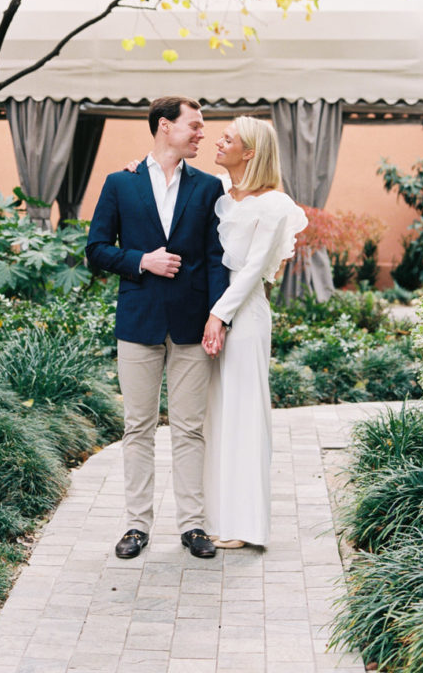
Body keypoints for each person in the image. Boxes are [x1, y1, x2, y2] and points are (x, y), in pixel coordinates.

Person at [86, 96, 230, 560]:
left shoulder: (209, 187)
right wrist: (141, 261)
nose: (202, 133)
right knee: (138, 427)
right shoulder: (119, 184)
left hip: (192, 325)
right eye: (195, 125)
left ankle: (192, 526)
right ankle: (136, 526)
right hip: (138, 320)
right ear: (165, 127)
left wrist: (217, 315)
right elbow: (96, 249)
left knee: (190, 429)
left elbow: (215, 260)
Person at [201, 116, 307, 549]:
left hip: (244, 317)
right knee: (216, 415)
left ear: (250, 153)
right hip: (215, 315)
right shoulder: (218, 196)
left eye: (229, 138)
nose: (218, 140)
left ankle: (245, 526)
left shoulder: (275, 205)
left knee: (243, 414)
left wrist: (219, 316)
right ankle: (216, 517)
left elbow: (250, 272)